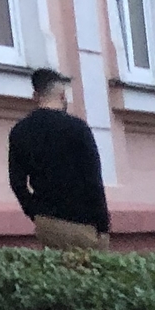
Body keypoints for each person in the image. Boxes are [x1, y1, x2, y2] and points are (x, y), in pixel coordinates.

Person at [9, 70, 110, 251]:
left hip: (46, 222)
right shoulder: (78, 129)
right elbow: (93, 181)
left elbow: (17, 183)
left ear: (35, 96)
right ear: (63, 96)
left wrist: (35, 212)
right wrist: (103, 226)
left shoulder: (20, 131)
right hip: (83, 224)